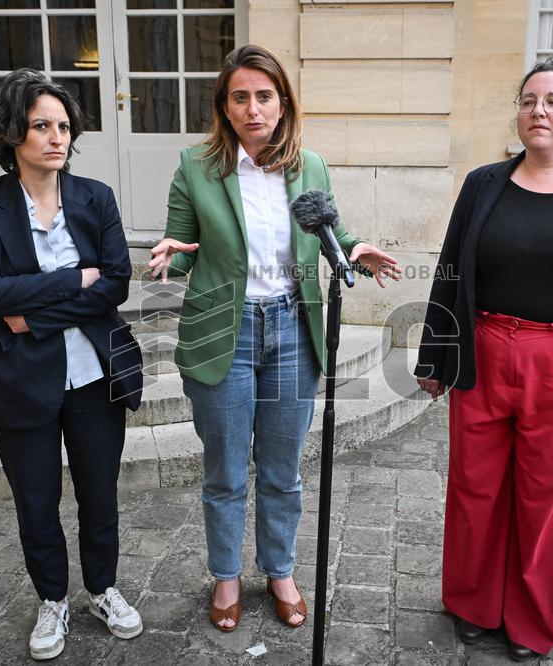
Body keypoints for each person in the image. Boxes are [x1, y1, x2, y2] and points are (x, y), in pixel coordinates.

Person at [148, 44, 401, 632]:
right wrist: (167, 257)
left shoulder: (308, 166)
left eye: (265, 96)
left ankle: (281, 571)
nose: (253, 108)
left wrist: (355, 249)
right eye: (241, 97)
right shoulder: (196, 167)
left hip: (291, 330)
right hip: (224, 335)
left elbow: (332, 231)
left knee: (282, 469)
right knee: (226, 471)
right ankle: (227, 576)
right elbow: (181, 249)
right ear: (225, 106)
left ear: (283, 104)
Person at [414, 58, 553, 661]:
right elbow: (451, 271)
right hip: (484, 351)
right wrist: (434, 358)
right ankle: (471, 604)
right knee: (474, 487)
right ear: (518, 113)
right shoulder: (484, 184)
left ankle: (529, 620)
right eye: (529, 100)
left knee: (547, 497)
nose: (539, 111)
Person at [0, 68, 144, 660]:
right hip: (21, 380)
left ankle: (102, 588)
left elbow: (113, 282)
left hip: (93, 375)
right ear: (14, 134)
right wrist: (70, 280)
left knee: (99, 494)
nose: (56, 138)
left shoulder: (97, 198)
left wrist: (33, 309)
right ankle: (52, 600)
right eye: (41, 126)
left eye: (64, 127)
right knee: (35, 500)